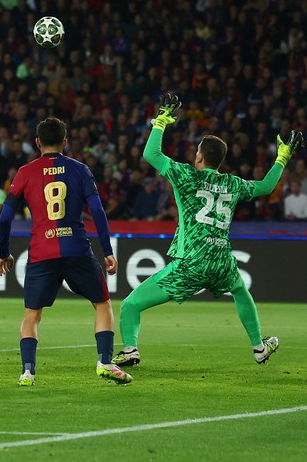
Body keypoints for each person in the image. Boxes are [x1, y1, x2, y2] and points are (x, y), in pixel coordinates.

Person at [113, 94, 303, 368]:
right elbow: (265, 187)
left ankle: (130, 349)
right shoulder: (233, 183)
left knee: (130, 305)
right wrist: (282, 158)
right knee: (239, 289)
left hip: (191, 262)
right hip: (221, 259)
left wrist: (161, 121)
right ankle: (259, 346)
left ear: (199, 156)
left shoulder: (186, 176)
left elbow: (150, 154)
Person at [0, 117, 131, 387]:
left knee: (32, 314)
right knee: (102, 304)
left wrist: (4, 252)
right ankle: (104, 361)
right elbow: (98, 212)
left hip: (42, 252)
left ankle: (27, 372)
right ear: (65, 143)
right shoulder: (80, 170)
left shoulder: (24, 172)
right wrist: (107, 250)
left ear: (37, 142)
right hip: (77, 250)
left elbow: (4, 218)